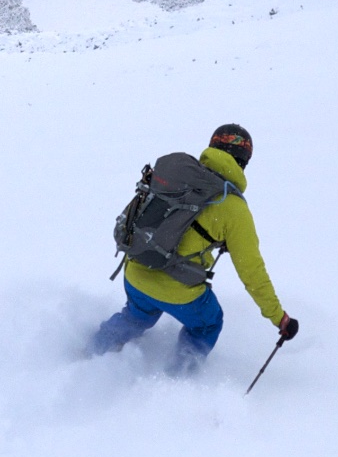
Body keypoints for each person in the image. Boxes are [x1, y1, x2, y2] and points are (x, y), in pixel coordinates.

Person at [90, 123, 297, 369]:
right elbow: (252, 272)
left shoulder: (178, 179)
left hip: (136, 272)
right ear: (243, 161)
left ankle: (91, 351)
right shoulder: (233, 208)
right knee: (208, 323)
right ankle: (178, 384)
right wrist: (279, 317)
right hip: (179, 292)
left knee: (137, 315)